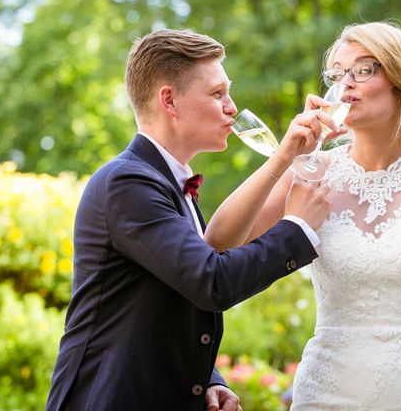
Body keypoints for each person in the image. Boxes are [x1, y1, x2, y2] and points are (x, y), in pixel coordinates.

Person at [205, 22, 401, 410]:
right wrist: (286, 156)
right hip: (329, 395)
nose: (346, 83)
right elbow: (217, 243)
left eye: (363, 70)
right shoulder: (309, 172)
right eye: (337, 74)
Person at [45, 29, 335, 411]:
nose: (232, 107)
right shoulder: (127, 182)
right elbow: (211, 281)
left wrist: (206, 381)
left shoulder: (166, 182)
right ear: (169, 100)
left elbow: (169, 302)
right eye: (217, 94)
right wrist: (297, 228)